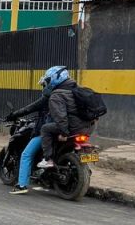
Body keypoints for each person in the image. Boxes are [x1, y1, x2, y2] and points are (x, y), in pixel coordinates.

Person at [7, 66, 90, 195]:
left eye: (47, 82)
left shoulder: (52, 96)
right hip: (78, 129)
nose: (45, 86)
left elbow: (30, 108)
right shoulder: (74, 92)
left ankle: (21, 185)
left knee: (26, 154)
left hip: (55, 130)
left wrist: (14, 115)